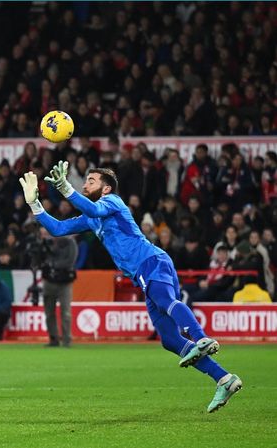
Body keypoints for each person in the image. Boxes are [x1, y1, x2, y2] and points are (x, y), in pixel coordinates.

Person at [19, 162, 242, 413]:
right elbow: (58, 228)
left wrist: (65, 187)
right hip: (142, 272)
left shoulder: (113, 201)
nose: (85, 184)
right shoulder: (92, 219)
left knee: (165, 302)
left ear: (105, 188)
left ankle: (202, 338)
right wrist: (34, 204)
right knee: (169, 339)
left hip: (150, 261)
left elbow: (91, 206)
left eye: (91, 181)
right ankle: (224, 379)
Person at [40, 227, 77, 347]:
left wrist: (53, 265)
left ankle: (66, 340)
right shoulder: (46, 243)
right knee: (49, 312)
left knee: (65, 312)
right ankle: (53, 339)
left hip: (64, 281)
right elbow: (41, 259)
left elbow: (70, 261)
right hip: (49, 281)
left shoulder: (70, 243)